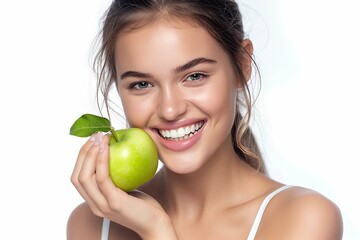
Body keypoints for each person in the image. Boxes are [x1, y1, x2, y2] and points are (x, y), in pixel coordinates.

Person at [67, 0, 343, 239]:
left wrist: (156, 230)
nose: (170, 109)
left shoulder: (303, 218)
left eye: (194, 76)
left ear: (242, 65)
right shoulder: (92, 225)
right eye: (141, 84)